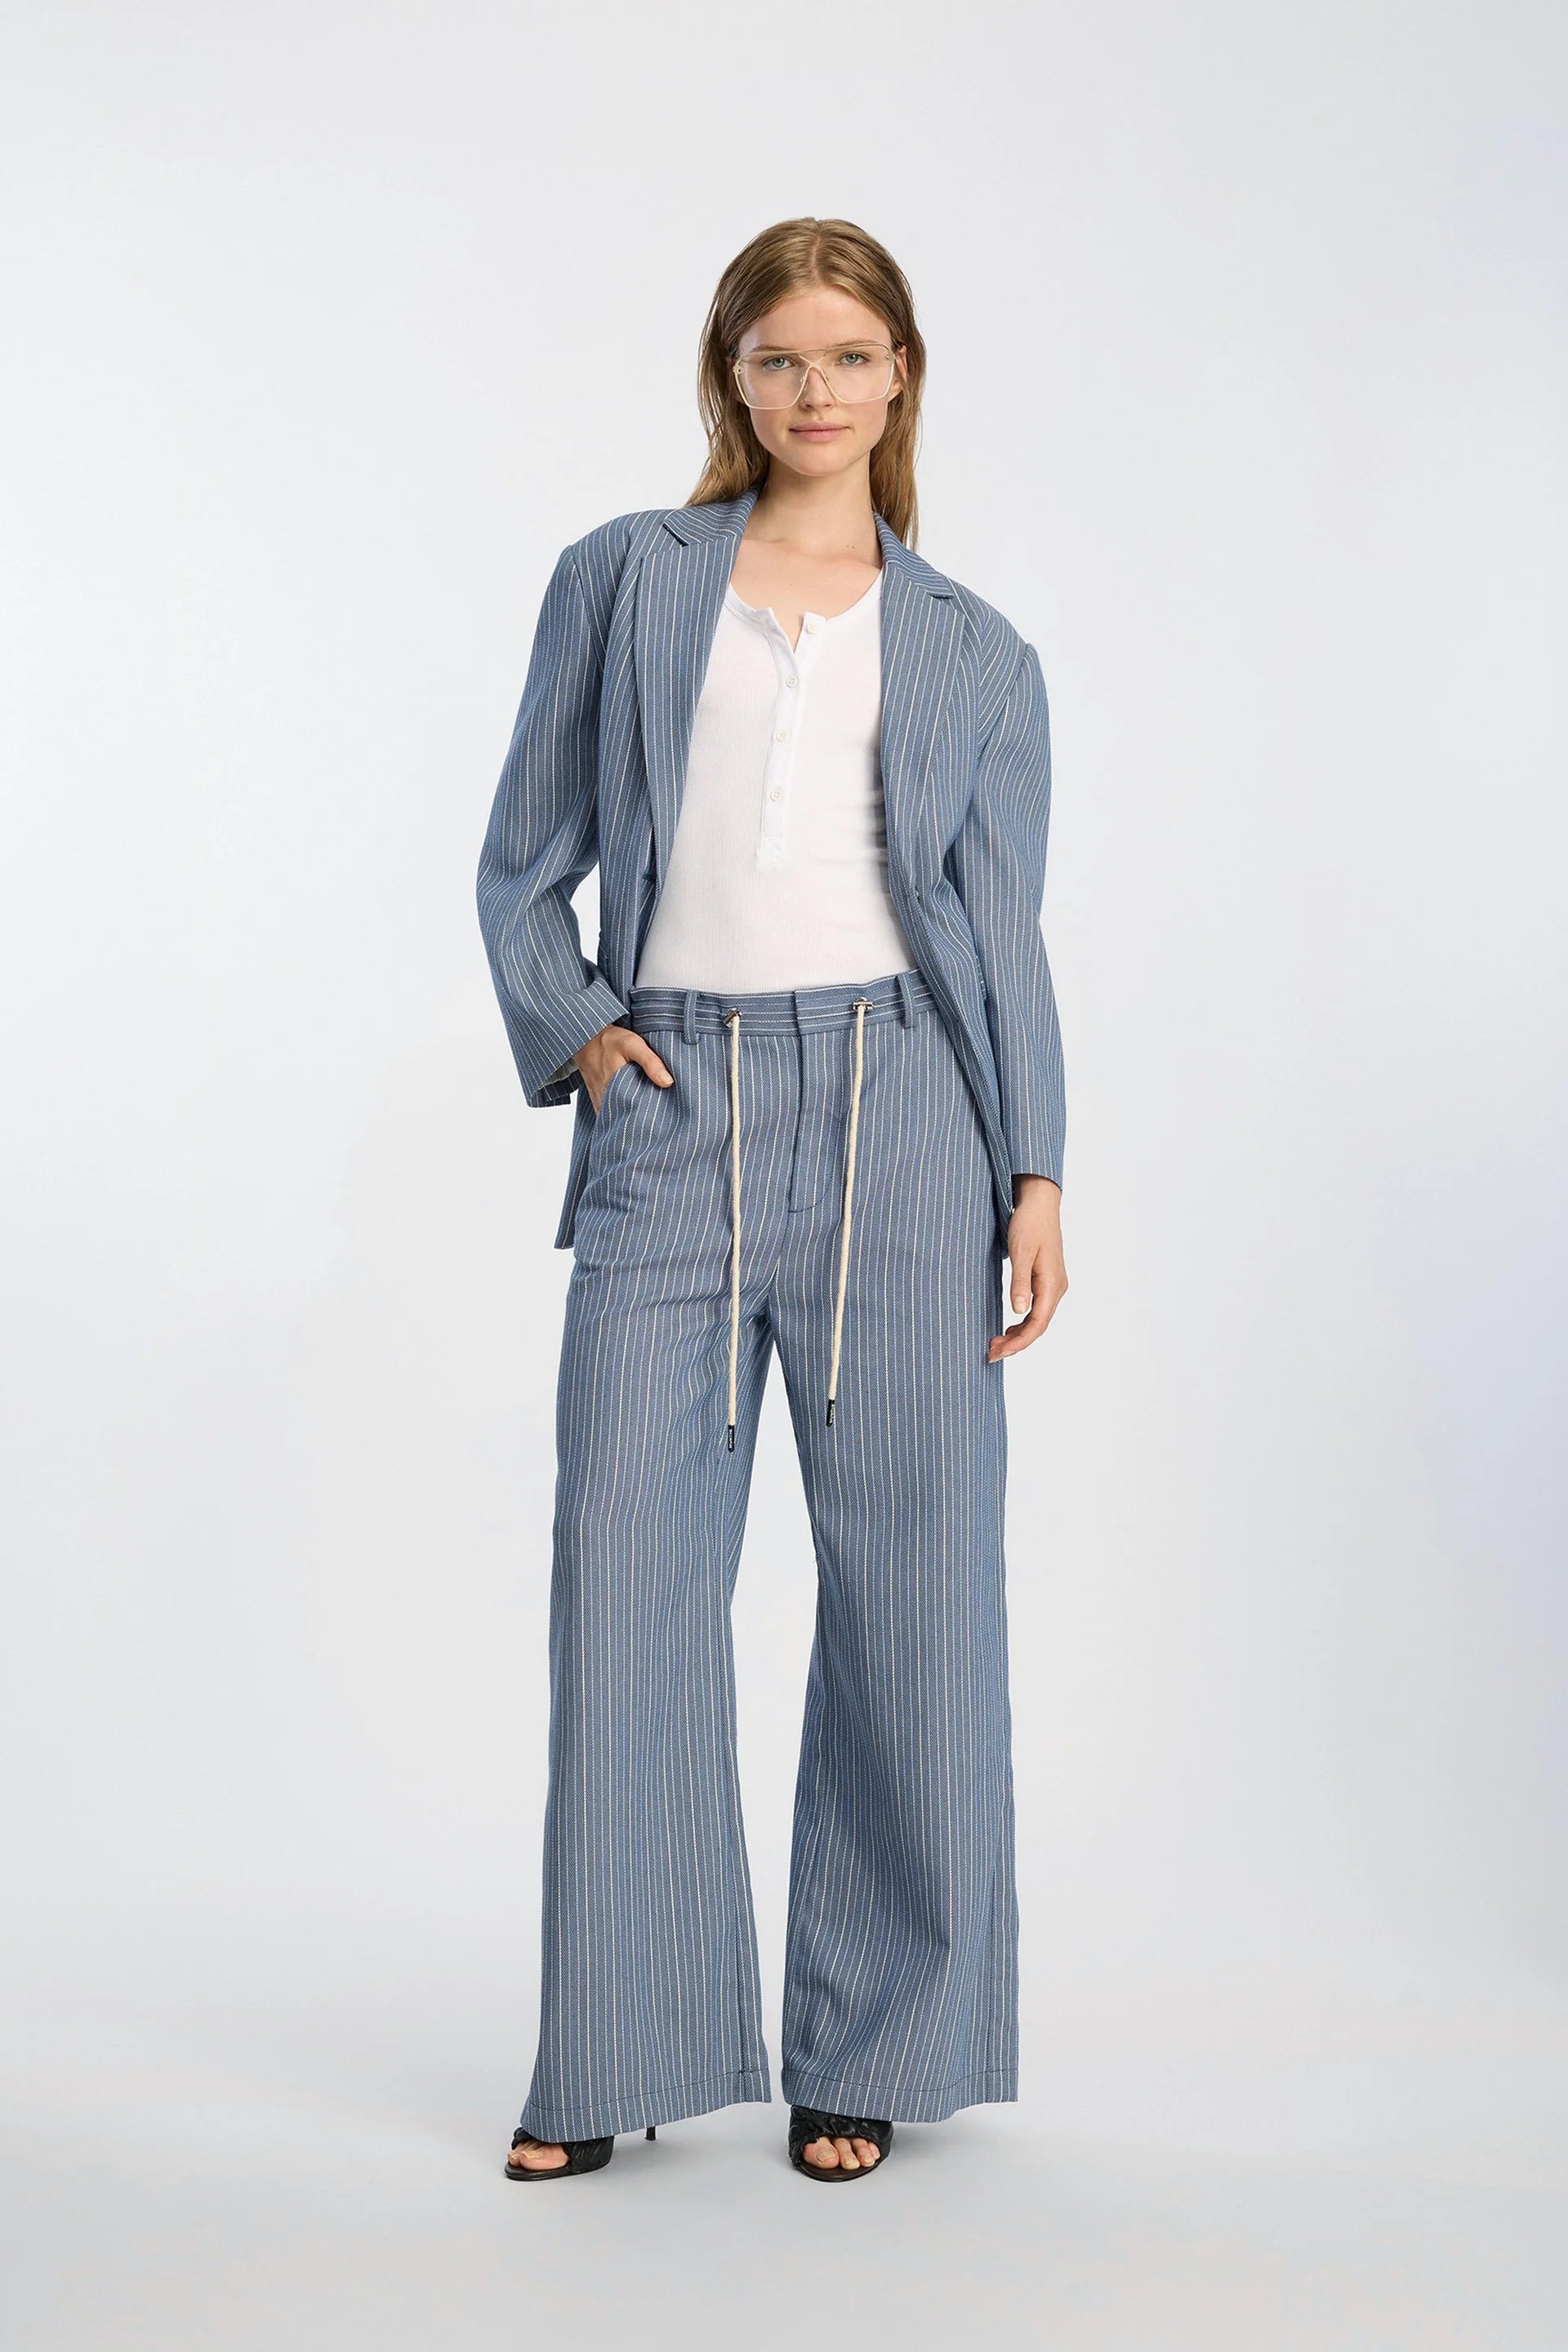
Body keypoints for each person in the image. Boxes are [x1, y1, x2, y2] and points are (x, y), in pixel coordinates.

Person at [476, 216, 1067, 2185]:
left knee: (916, 1596)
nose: (817, 391)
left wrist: (1037, 1165)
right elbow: (518, 861)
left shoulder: (977, 649)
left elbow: (1007, 935)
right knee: (625, 1573)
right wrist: (576, 1034)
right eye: (780, 356)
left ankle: (869, 2050)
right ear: (729, 376)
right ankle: (612, 2050)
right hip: (675, 1105)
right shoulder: (625, 584)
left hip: (913, 1114)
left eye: (854, 357)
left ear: (903, 382)